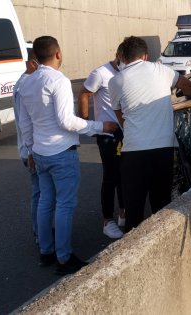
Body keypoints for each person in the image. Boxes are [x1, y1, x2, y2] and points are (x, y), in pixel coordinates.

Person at [18, 35, 118, 275]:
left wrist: (30, 149)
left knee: (45, 201)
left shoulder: (26, 82)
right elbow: (66, 121)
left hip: (40, 152)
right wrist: (100, 127)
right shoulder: (58, 80)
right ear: (58, 53)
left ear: (36, 56)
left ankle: (46, 252)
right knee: (64, 205)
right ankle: (64, 258)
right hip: (61, 152)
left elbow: (24, 122)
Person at [109, 36, 191, 232]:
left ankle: (132, 249)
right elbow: (187, 86)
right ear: (145, 55)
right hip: (164, 149)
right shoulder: (162, 70)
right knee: (161, 204)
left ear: (123, 56)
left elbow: (119, 113)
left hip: (134, 151)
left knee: (134, 208)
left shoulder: (115, 81)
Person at [78, 45, 125, 239]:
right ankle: (107, 220)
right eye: (125, 59)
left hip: (125, 133)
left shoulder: (128, 73)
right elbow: (83, 94)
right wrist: (90, 125)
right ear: (118, 56)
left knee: (125, 174)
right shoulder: (101, 73)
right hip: (108, 135)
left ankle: (123, 212)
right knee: (111, 177)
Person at [13, 46, 40, 247]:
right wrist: (31, 151)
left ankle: (41, 230)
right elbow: (25, 123)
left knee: (41, 192)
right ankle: (40, 233)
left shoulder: (24, 83)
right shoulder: (25, 85)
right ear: (32, 63)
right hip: (31, 150)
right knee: (40, 193)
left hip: (30, 148)